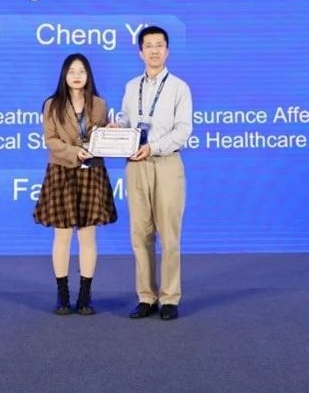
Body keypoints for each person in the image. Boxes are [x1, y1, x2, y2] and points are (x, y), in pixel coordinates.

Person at [33, 53, 117, 315]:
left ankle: (85, 295)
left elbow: (101, 138)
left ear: (88, 75)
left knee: (88, 236)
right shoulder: (52, 105)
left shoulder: (99, 105)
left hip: (92, 172)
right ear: (64, 75)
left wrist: (111, 132)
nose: (77, 76)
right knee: (62, 235)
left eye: (81, 71)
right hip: (62, 171)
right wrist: (73, 152)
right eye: (71, 71)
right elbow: (50, 140)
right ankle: (62, 295)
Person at [121, 26, 192, 321]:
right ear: (140, 52)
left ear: (167, 50)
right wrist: (117, 130)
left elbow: (183, 131)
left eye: (159, 45)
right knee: (140, 233)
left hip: (166, 163)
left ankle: (170, 298)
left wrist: (153, 147)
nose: (154, 50)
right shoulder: (131, 87)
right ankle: (146, 297)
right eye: (148, 45)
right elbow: (127, 121)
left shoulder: (179, 87)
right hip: (136, 166)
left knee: (169, 235)